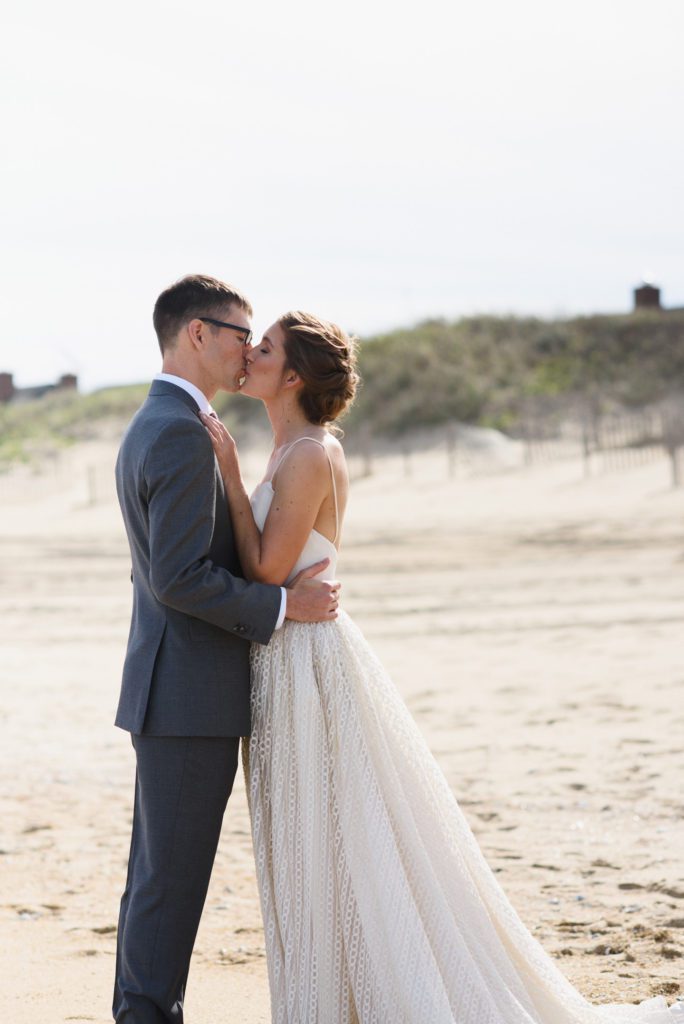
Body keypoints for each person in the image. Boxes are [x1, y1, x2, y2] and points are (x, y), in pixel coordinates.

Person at [201, 311, 682, 1024]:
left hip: (307, 661)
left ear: (294, 375)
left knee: (333, 830)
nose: (250, 355)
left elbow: (270, 567)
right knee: (319, 832)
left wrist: (232, 481)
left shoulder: (305, 454)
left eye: (264, 348)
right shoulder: (296, 448)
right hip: (292, 654)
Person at [113, 276, 340, 1024]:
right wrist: (280, 605)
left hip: (181, 690)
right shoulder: (178, 429)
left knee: (158, 876)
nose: (247, 347)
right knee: (168, 881)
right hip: (186, 695)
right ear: (196, 334)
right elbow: (179, 577)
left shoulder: (171, 421)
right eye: (239, 333)